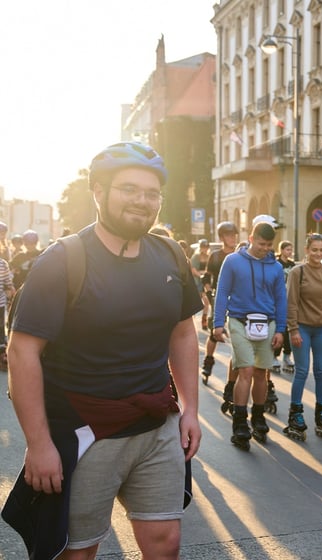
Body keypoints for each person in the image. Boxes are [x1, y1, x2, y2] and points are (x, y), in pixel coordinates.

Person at [2, 141, 202, 559]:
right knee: (76, 552)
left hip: (156, 427)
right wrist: (38, 445)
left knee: (166, 542)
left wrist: (190, 410)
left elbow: (182, 333)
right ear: (98, 191)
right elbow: (23, 353)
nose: (142, 201)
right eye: (129, 189)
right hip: (84, 430)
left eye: (151, 193)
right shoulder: (64, 260)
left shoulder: (170, 254)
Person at [213, 220, 287, 450]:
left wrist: (282, 329)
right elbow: (222, 291)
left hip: (267, 323)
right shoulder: (233, 261)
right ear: (252, 239)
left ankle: (258, 417)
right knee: (245, 369)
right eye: (262, 244)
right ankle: (239, 422)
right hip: (238, 321)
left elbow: (280, 299)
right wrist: (217, 323)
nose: (265, 249)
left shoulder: (275, 267)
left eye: (269, 245)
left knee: (261, 373)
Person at [285, 233, 322, 440]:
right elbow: (291, 302)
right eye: (314, 250)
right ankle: (296, 414)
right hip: (302, 328)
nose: (318, 254)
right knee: (301, 371)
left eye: (321, 250)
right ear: (307, 250)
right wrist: (293, 329)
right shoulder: (297, 272)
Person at [200, 221, 238, 385]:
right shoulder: (215, 256)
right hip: (219, 298)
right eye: (229, 235)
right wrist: (209, 293)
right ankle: (208, 362)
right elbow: (207, 277)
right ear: (222, 237)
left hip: (236, 299)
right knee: (214, 334)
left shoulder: (240, 254)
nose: (233, 238)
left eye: (234, 235)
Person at [275, 240, 296, 372]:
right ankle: (274, 356)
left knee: (289, 329)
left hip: (289, 299)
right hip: (277, 299)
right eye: (287, 249)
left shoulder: (292, 265)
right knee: (278, 328)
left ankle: (287, 356)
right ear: (281, 250)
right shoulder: (276, 263)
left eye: (290, 250)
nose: (289, 252)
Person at [191, 239, 212, 330]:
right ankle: (191, 322)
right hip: (197, 282)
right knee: (194, 304)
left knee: (206, 302)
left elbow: (210, 270)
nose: (205, 249)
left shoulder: (209, 257)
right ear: (200, 247)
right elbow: (192, 269)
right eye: (203, 247)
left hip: (205, 283)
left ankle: (204, 321)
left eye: (206, 247)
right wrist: (200, 275)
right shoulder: (196, 256)